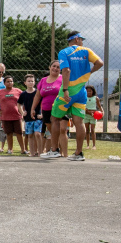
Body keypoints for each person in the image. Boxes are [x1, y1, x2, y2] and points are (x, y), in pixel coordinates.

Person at [48, 31, 104, 161]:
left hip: (68, 90)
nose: (82, 42)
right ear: (77, 39)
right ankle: (79, 153)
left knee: (55, 118)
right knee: (79, 122)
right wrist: (89, 72)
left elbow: (66, 70)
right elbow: (100, 63)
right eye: (82, 40)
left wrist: (66, 89)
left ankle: (55, 150)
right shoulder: (87, 51)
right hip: (81, 92)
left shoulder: (64, 52)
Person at [32, 61, 66, 157]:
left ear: (61, 69)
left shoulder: (63, 79)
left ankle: (64, 153)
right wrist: (33, 108)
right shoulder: (43, 80)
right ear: (49, 67)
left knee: (61, 131)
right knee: (53, 132)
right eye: (53, 66)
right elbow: (38, 95)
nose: (55, 68)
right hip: (46, 109)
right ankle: (57, 150)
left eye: (58, 67)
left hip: (60, 109)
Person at [0, 76, 24, 154]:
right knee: (9, 133)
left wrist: (23, 110)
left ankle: (23, 149)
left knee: (19, 133)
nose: (10, 83)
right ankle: (10, 149)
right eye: (8, 81)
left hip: (16, 116)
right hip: (5, 117)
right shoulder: (0, 92)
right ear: (4, 83)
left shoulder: (18, 91)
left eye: (11, 81)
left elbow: (25, 98)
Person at [19, 74, 42, 157]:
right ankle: (32, 152)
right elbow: (19, 104)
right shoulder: (23, 94)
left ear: (35, 82)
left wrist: (41, 113)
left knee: (37, 134)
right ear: (25, 83)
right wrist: (22, 112)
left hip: (37, 117)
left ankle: (40, 152)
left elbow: (43, 103)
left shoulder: (38, 92)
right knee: (30, 135)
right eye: (29, 81)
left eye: (32, 81)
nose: (30, 83)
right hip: (28, 118)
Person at [84, 85, 99, 150]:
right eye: (87, 91)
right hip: (86, 115)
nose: (88, 92)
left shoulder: (96, 98)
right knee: (87, 130)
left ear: (93, 91)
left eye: (90, 91)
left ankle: (94, 145)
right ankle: (87, 145)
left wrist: (102, 112)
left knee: (92, 130)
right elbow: (83, 107)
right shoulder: (84, 98)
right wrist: (89, 112)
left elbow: (99, 107)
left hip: (93, 116)